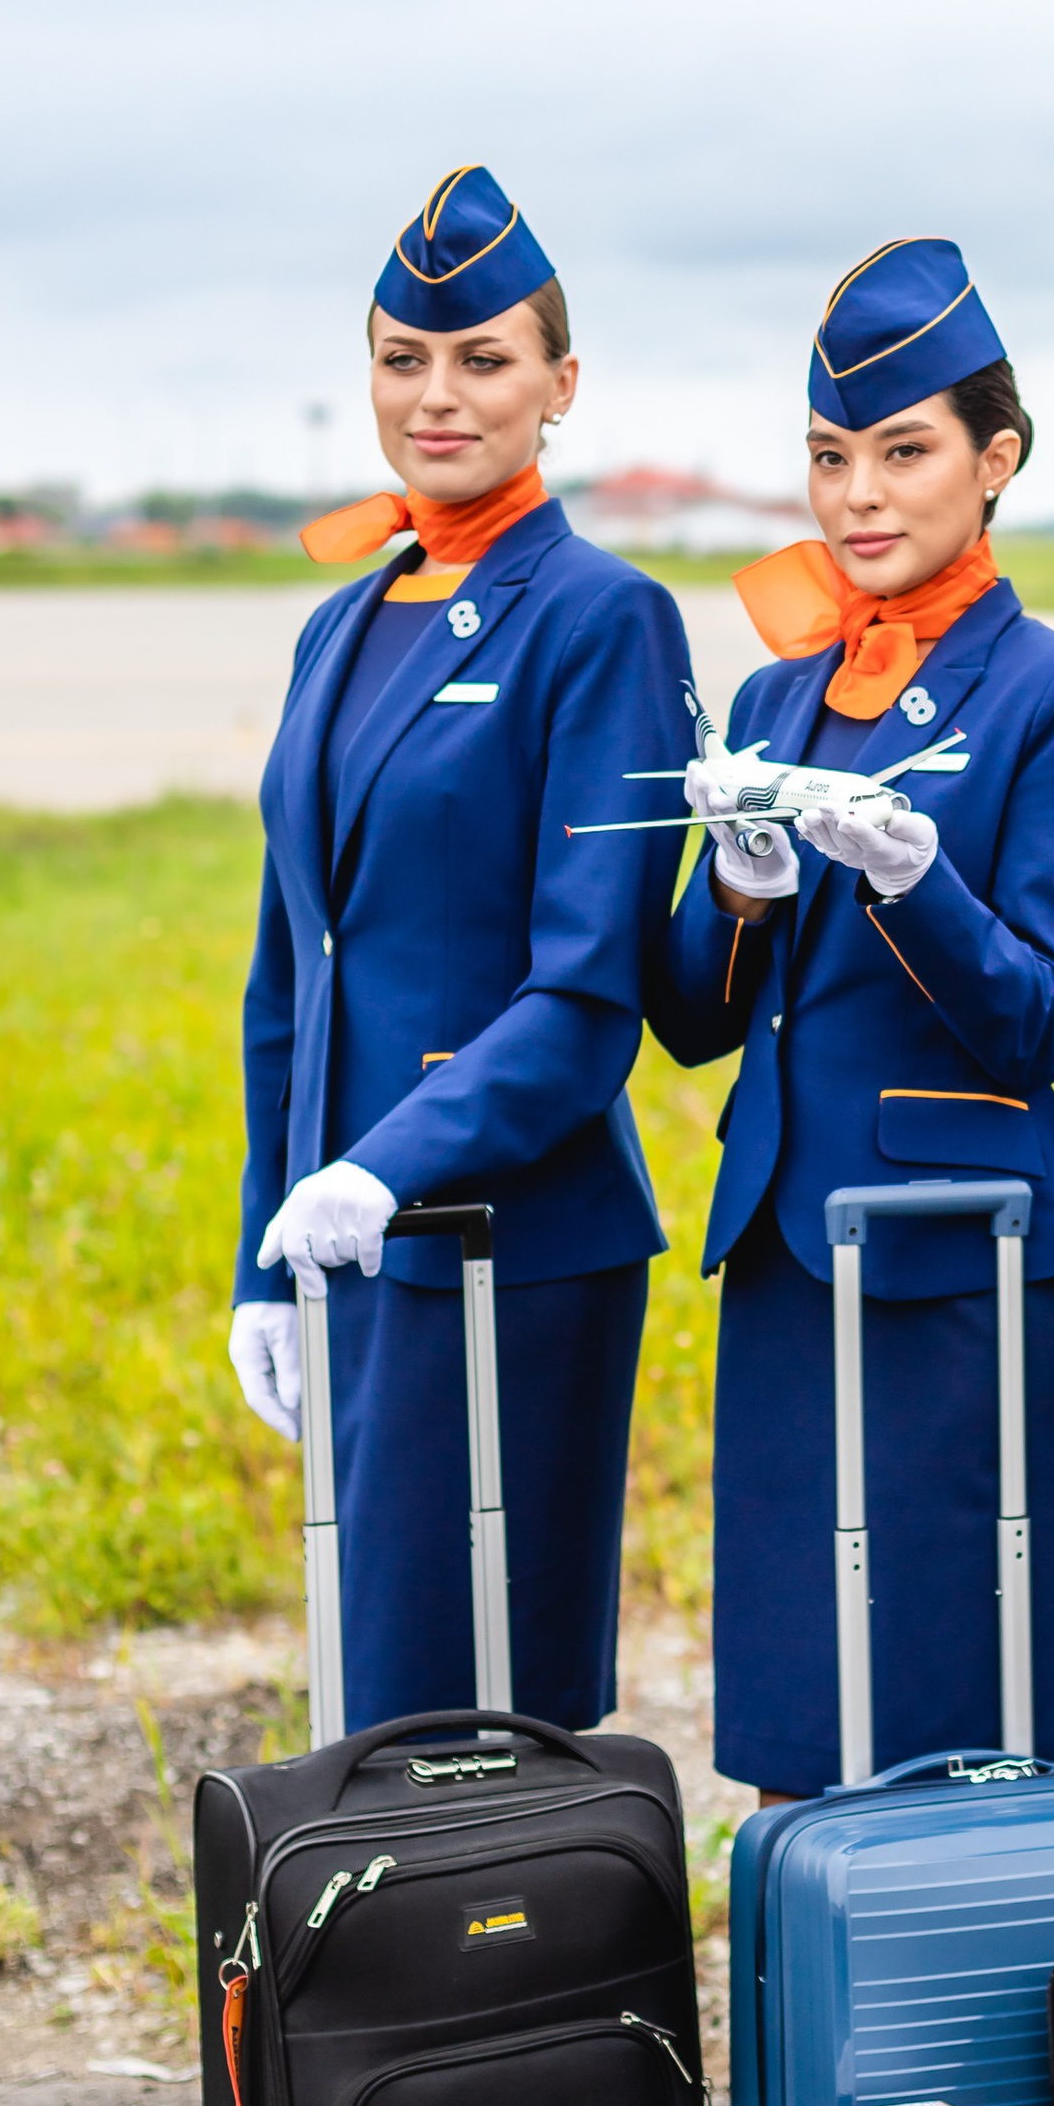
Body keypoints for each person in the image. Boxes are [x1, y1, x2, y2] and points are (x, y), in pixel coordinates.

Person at [649, 239, 1054, 1798]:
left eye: (904, 450)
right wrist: (735, 892)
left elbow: (1044, 1023)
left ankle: (1003, 2030)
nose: (860, 493)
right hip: (792, 1249)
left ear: (996, 461)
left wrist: (910, 875)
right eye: (829, 455)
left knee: (984, 1704)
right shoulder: (774, 699)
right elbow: (689, 1024)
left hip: (970, 1264)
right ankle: (834, 2024)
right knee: (807, 1698)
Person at [226, 167, 693, 1733]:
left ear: (561, 386)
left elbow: (585, 997)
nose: (438, 394)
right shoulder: (342, 621)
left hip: (505, 1243)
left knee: (479, 1713)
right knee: (368, 1696)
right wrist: (263, 1255)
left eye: (483, 359)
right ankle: (387, 1982)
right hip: (350, 1244)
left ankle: (516, 1986)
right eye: (402, 357)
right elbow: (298, 963)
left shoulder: (601, 617)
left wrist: (380, 1170)